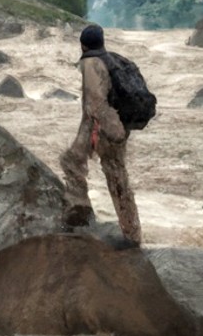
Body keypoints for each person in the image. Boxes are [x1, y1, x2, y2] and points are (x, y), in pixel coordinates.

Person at [59, 24, 142, 246]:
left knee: (115, 179)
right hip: (113, 126)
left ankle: (129, 234)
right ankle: (82, 211)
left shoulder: (91, 63)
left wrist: (113, 132)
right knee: (74, 161)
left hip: (103, 128)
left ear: (83, 45)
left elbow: (96, 102)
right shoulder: (112, 59)